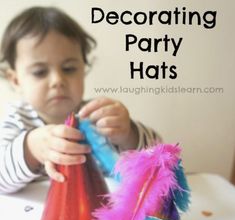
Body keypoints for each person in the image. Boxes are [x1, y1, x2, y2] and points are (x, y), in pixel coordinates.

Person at [0, 6, 161, 194]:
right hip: (32, 219)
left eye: (68, 68)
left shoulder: (98, 117)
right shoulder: (17, 121)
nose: (57, 81)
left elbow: (159, 160)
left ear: (83, 69)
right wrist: (30, 148)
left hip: (99, 215)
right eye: (40, 72)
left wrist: (128, 134)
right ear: (16, 80)